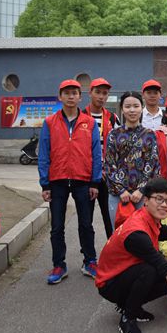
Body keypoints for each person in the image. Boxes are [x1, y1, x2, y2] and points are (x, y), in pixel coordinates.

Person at [95, 178, 167, 333]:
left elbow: (164, 232)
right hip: (109, 283)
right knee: (150, 270)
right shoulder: (137, 233)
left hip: (127, 271)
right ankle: (128, 317)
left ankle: (131, 304)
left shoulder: (147, 216)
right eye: (159, 199)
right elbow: (165, 269)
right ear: (146, 200)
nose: (165, 205)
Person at [38, 79, 101, 284]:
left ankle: (90, 261)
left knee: (86, 224)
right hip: (57, 181)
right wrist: (45, 184)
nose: (71, 96)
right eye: (67, 93)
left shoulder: (89, 123)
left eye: (74, 93)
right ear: (60, 96)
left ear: (80, 97)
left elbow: (96, 154)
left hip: (83, 180)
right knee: (57, 226)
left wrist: (94, 182)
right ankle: (59, 264)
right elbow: (44, 153)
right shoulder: (50, 122)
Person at [105, 91, 160, 231]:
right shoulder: (114, 134)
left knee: (144, 232)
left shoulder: (149, 135)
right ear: (122, 109)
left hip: (142, 195)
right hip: (118, 195)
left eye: (136, 106)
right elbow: (109, 165)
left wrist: (141, 190)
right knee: (119, 233)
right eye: (128, 106)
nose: (132, 110)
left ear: (142, 108)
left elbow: (153, 164)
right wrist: (121, 190)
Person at [84, 77, 120, 238]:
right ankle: (88, 252)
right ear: (90, 93)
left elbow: (119, 148)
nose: (101, 96)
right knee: (86, 220)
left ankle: (111, 250)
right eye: (97, 92)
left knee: (110, 218)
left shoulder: (113, 118)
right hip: (86, 175)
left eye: (104, 93)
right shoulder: (80, 116)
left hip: (107, 177)